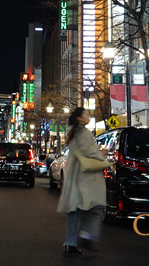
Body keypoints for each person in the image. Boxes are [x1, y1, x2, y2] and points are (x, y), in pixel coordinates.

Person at [56, 107, 107, 256]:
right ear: (79, 118)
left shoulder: (72, 132)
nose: (88, 116)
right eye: (86, 114)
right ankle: (85, 236)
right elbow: (88, 150)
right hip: (85, 175)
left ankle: (70, 243)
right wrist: (101, 153)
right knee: (96, 207)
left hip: (76, 174)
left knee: (75, 211)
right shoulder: (82, 132)